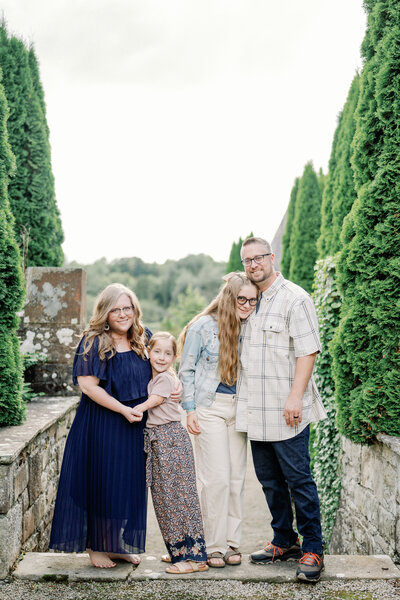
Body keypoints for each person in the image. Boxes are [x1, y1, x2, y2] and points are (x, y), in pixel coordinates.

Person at [49, 283, 179, 568]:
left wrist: (175, 387)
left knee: (124, 483)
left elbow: (163, 365)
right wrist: (122, 409)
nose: (122, 314)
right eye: (115, 309)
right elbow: (88, 386)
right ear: (105, 313)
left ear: (135, 310)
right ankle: (96, 546)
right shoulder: (93, 341)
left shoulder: (142, 338)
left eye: (127, 308)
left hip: (133, 425)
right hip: (102, 423)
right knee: (100, 481)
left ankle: (114, 543)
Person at [236, 236, 327, 583]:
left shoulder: (295, 298)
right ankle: (284, 541)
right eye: (247, 260)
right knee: (270, 482)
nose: (253, 264)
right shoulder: (250, 300)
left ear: (272, 258)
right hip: (256, 410)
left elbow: (307, 352)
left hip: (287, 409)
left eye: (259, 258)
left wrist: (295, 397)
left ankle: (313, 549)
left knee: (298, 480)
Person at [178, 272, 259, 568]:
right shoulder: (203, 326)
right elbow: (185, 370)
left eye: (253, 300)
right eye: (242, 299)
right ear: (229, 297)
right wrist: (189, 409)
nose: (248, 305)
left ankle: (233, 543)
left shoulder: (251, 326)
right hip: (208, 407)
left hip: (239, 408)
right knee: (216, 479)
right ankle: (213, 545)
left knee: (237, 478)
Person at [133, 331, 208, 574]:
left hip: (169, 439)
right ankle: (183, 551)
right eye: (157, 351)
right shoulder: (160, 377)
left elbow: (155, 400)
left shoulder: (165, 379)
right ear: (148, 352)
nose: (162, 357)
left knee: (176, 499)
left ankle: (190, 560)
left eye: (168, 353)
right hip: (162, 440)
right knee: (167, 497)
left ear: (175, 356)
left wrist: (138, 408)